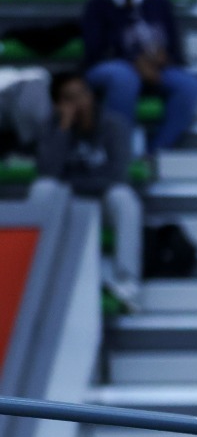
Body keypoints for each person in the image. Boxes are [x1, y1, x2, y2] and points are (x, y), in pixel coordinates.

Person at [33, 71, 142, 309]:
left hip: (101, 202)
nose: (80, 102)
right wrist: (63, 128)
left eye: (83, 94)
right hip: (68, 202)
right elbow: (48, 172)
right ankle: (36, 275)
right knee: (42, 189)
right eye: (70, 98)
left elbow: (118, 176)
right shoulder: (51, 128)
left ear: (92, 95)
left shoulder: (114, 125)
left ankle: (127, 281)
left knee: (124, 198)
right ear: (59, 104)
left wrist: (74, 182)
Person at [81, 0, 197, 153]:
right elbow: (95, 51)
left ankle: (156, 150)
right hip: (114, 69)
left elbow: (175, 50)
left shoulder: (159, 3)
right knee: (123, 78)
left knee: (190, 86)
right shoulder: (98, 6)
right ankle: (119, 152)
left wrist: (164, 59)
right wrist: (135, 63)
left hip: (155, 70)